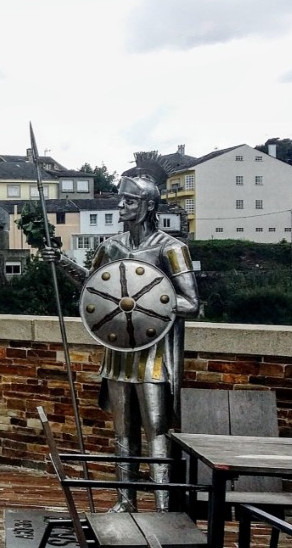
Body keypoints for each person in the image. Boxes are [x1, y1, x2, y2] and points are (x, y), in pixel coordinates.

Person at [41, 175, 199, 512]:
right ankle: (125, 501)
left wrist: (147, 304)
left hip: (153, 354)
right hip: (118, 353)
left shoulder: (171, 248)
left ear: (149, 206)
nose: (121, 206)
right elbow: (93, 288)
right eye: (121, 199)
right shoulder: (112, 246)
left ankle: (162, 507)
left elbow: (190, 303)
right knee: (123, 433)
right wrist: (63, 263)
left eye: (129, 201)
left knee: (157, 434)